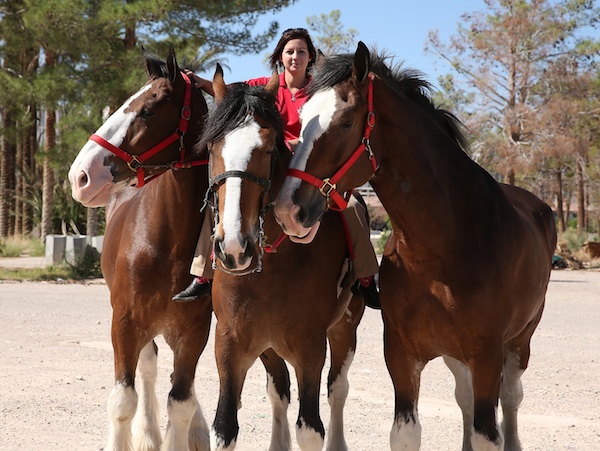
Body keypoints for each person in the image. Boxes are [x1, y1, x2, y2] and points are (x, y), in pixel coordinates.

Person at [173, 28, 381, 308]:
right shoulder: (264, 85)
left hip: (310, 167)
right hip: (273, 166)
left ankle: (365, 277)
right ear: (281, 56)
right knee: (224, 201)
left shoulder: (320, 89)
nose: (296, 56)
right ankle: (204, 275)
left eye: (302, 51)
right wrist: (199, 82)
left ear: (310, 57)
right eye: (290, 51)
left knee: (353, 205)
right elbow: (232, 96)